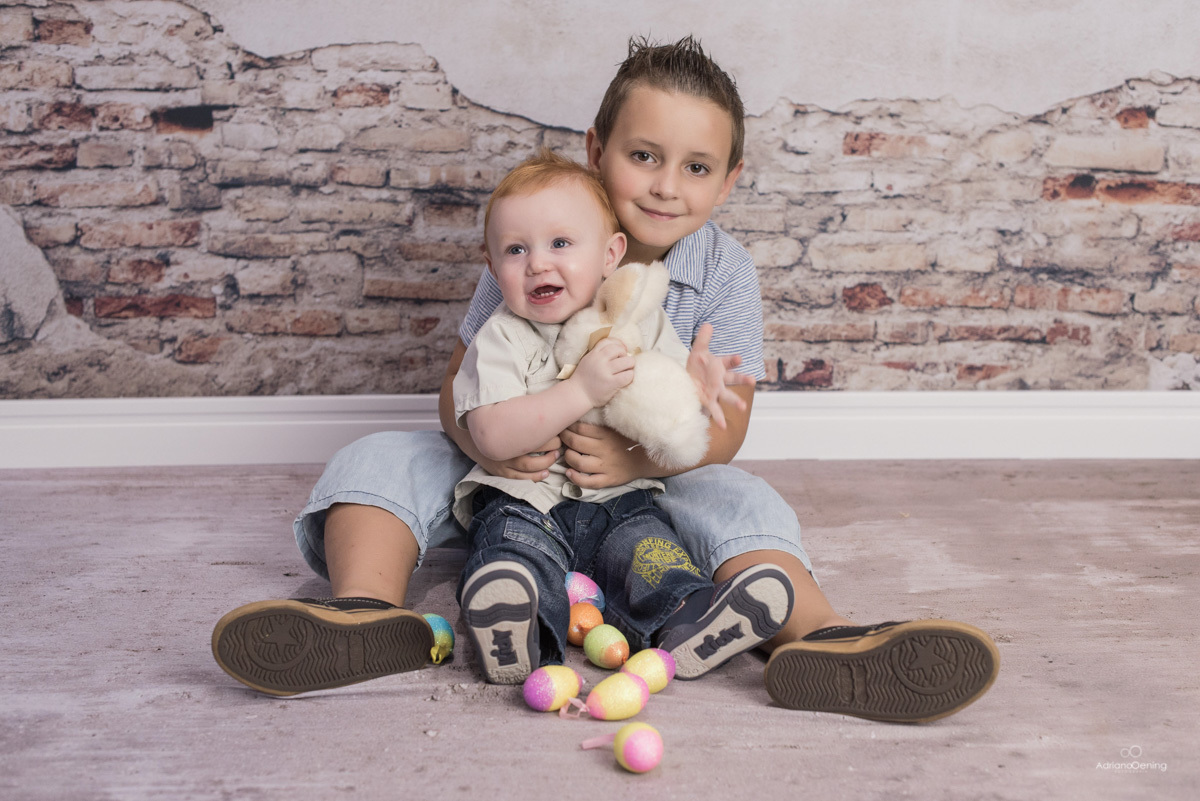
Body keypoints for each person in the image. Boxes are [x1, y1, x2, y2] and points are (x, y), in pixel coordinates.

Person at [212, 35, 999, 723]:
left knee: (741, 497)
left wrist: (642, 458)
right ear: (597, 149)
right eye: (644, 156)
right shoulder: (540, 234)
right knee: (379, 457)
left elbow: (729, 424)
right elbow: (460, 384)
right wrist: (494, 436)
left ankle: (820, 641)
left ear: (727, 182)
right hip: (511, 469)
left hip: (640, 485)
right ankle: (366, 615)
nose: (665, 186)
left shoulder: (723, 270)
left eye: (695, 168)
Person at [450, 150, 794, 684]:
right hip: (525, 500)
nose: (538, 262)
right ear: (493, 268)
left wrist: (698, 385)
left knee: (653, 556)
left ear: (610, 255)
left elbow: (671, 401)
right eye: (516, 250)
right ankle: (519, 629)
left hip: (621, 502)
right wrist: (580, 390)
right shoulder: (502, 335)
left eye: (560, 243)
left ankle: (691, 618)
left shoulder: (640, 319)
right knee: (514, 556)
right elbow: (488, 433)